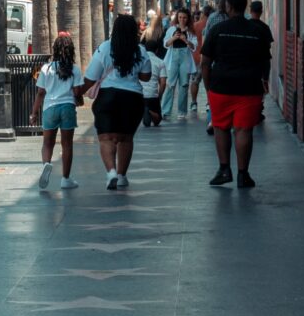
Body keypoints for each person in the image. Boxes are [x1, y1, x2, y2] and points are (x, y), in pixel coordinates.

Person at [201, 0, 272, 190]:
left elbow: (205, 63)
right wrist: (264, 81)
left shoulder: (217, 30)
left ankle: (224, 170)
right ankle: (243, 174)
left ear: (228, 7)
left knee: (221, 127)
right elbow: (265, 61)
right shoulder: (257, 31)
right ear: (246, 7)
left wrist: (208, 88)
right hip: (249, 87)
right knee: (243, 130)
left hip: (221, 86)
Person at [84, 12, 153, 189]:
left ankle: (111, 172)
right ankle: (122, 175)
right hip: (133, 98)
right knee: (126, 138)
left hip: (108, 97)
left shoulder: (105, 48)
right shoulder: (141, 51)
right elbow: (146, 77)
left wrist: (78, 94)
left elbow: (91, 76)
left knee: (106, 138)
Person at [33, 32, 83, 190]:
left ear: (54, 49)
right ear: (71, 50)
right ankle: (65, 179)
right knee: (67, 145)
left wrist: (34, 112)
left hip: (50, 108)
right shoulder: (74, 69)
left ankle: (47, 164)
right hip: (67, 107)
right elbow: (76, 92)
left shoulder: (46, 68)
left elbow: (41, 92)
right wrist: (80, 99)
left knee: (47, 144)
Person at [161, 13, 196, 120]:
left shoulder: (190, 31)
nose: (182, 19)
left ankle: (182, 111)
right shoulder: (171, 29)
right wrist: (174, 38)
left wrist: (185, 40)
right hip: (173, 58)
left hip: (185, 58)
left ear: (188, 18)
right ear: (177, 18)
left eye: (184, 17)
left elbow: (194, 47)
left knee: (184, 85)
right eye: (180, 17)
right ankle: (165, 111)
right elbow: (165, 44)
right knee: (170, 84)